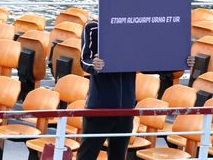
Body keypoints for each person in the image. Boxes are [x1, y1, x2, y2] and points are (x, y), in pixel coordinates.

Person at [78, 20, 193, 160]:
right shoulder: (93, 27)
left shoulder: (132, 30)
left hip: (126, 110)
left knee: (119, 155)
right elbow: (84, 60)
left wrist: (180, 62)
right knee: (87, 155)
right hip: (99, 107)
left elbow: (148, 63)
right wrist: (94, 65)